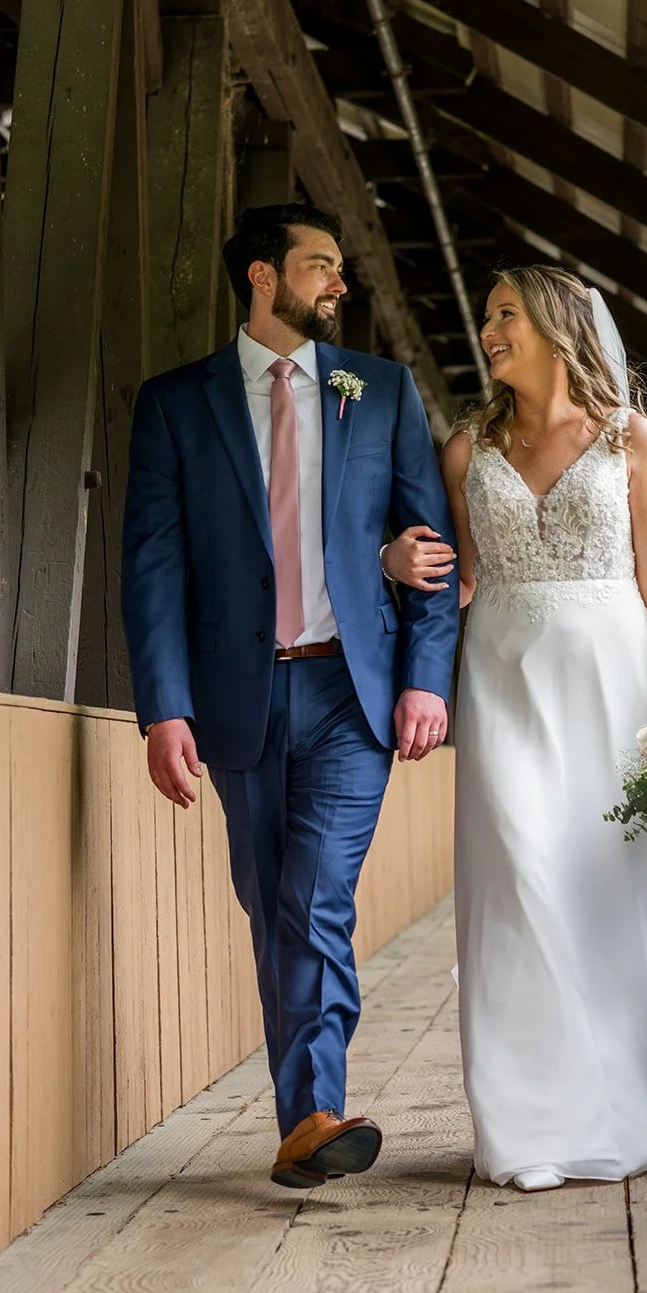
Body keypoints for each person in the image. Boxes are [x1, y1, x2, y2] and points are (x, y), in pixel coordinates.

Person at [382, 265, 647, 1193]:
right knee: (519, 873)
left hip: (614, 685)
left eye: (503, 313)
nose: (487, 330)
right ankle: (531, 1121)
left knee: (617, 887)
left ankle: (629, 1089)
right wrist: (393, 564)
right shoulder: (466, 449)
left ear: (558, 328)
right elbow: (459, 581)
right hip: (504, 679)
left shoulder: (628, 439)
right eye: (486, 316)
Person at [121, 203, 459, 1190]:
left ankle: (311, 1107)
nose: (338, 284)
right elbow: (152, 564)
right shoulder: (176, 403)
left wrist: (423, 681)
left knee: (313, 895)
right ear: (263, 277)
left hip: (350, 695)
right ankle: (300, 1122)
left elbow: (427, 554)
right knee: (271, 904)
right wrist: (162, 705)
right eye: (320, 266)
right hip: (233, 697)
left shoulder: (381, 391)